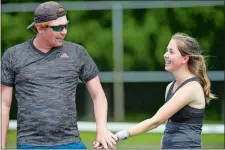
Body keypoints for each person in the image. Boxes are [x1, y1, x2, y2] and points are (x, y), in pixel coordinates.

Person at [1, 1, 117, 149]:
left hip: (70, 142)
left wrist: (101, 130)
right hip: (30, 144)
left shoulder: (77, 53)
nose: (64, 31)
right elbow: (3, 104)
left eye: (66, 25)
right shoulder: (14, 55)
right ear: (39, 28)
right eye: (58, 27)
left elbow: (98, 95)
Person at [112, 32, 217, 149]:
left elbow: (156, 121)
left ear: (185, 58)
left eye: (171, 52)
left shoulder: (191, 88)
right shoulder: (170, 87)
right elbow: (169, 126)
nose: (165, 55)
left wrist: (118, 136)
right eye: (167, 51)